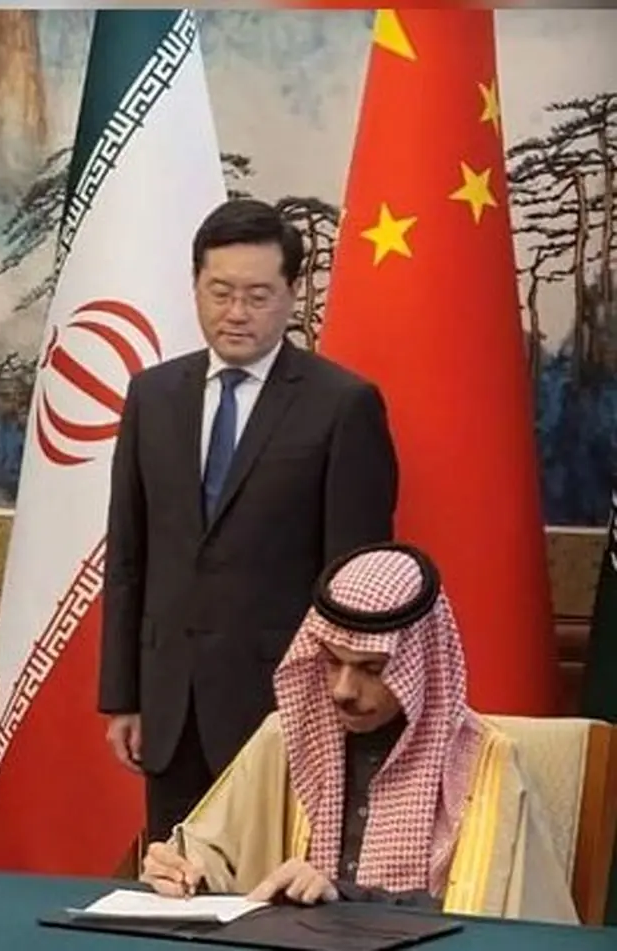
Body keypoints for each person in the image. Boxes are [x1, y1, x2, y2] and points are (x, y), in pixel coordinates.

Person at [100, 198, 399, 841]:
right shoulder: (152, 396)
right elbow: (128, 557)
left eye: (258, 296)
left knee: (272, 886)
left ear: (292, 294)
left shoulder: (342, 404)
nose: (236, 312)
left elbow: (356, 584)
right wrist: (124, 696)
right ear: (196, 287)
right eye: (221, 292)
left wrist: (338, 700)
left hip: (285, 706)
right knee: (173, 881)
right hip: (169, 706)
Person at [140, 544, 579, 924]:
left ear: (419, 666)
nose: (342, 691)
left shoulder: (486, 767)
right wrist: (183, 868)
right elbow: (216, 852)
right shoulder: (286, 738)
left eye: (371, 669)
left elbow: (503, 922)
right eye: (332, 661)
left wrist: (347, 897)